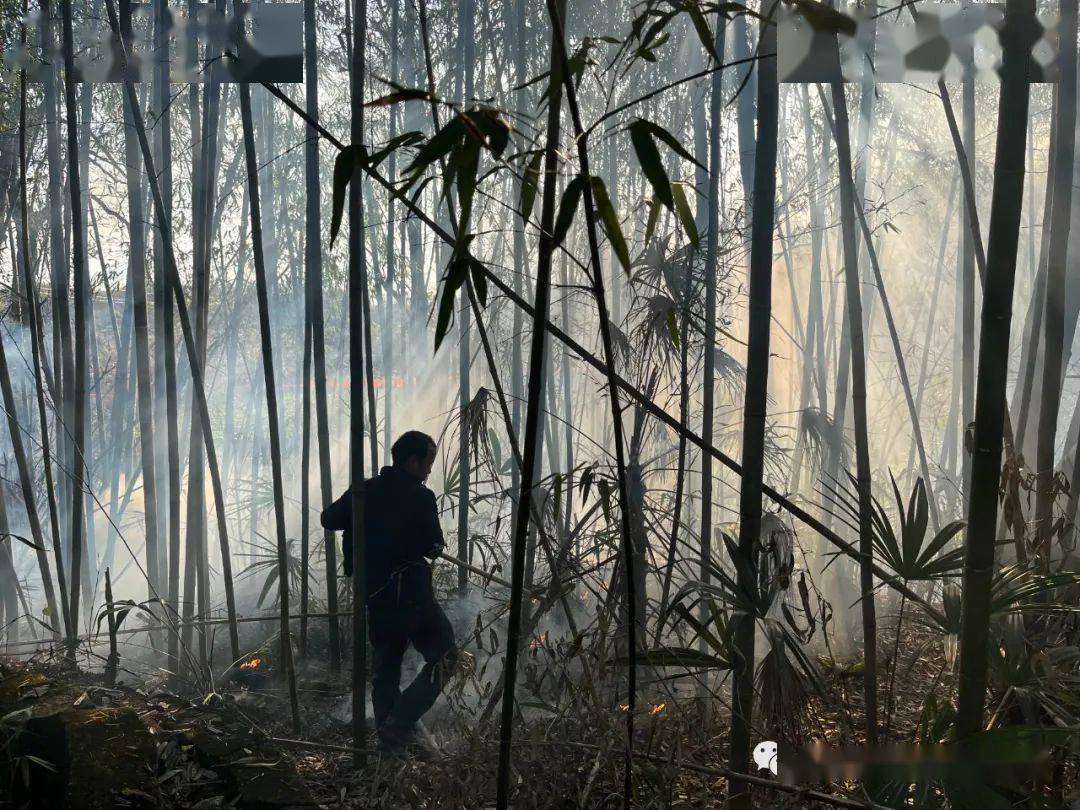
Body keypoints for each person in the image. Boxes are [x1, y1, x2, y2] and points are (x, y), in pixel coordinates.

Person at [321, 430, 458, 753]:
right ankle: (400, 722)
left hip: (378, 596)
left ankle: (391, 744)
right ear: (411, 461)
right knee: (446, 657)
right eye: (427, 462)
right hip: (413, 595)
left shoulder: (365, 491)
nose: (428, 470)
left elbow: (329, 519)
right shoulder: (422, 498)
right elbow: (433, 546)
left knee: (386, 672)